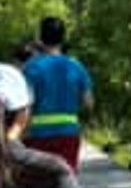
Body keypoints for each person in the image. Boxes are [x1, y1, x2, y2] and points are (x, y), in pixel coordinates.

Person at [21, 16, 93, 176]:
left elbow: (26, 105)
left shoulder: (30, 68)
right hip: (69, 135)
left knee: (37, 187)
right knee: (66, 185)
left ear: (40, 37)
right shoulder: (76, 66)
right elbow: (88, 103)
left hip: (37, 136)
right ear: (63, 38)